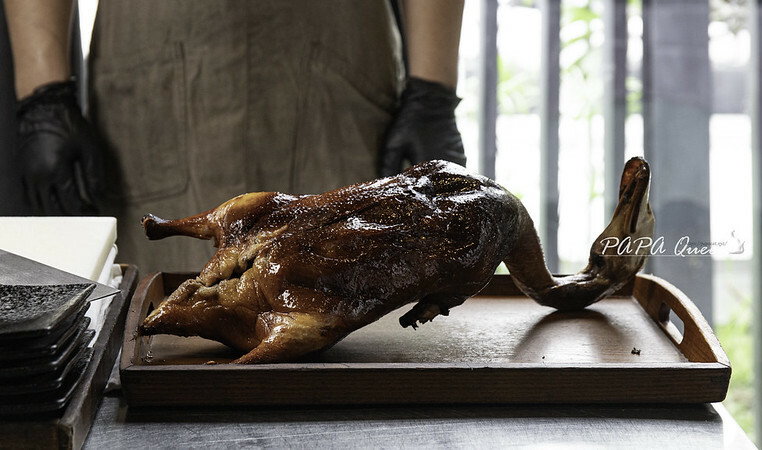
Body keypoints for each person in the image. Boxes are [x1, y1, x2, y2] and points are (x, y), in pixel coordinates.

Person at [3, 0, 466, 275]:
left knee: (346, 311)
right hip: (158, 44)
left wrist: (432, 93)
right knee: (160, 335)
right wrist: (44, 95)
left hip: (338, 47)